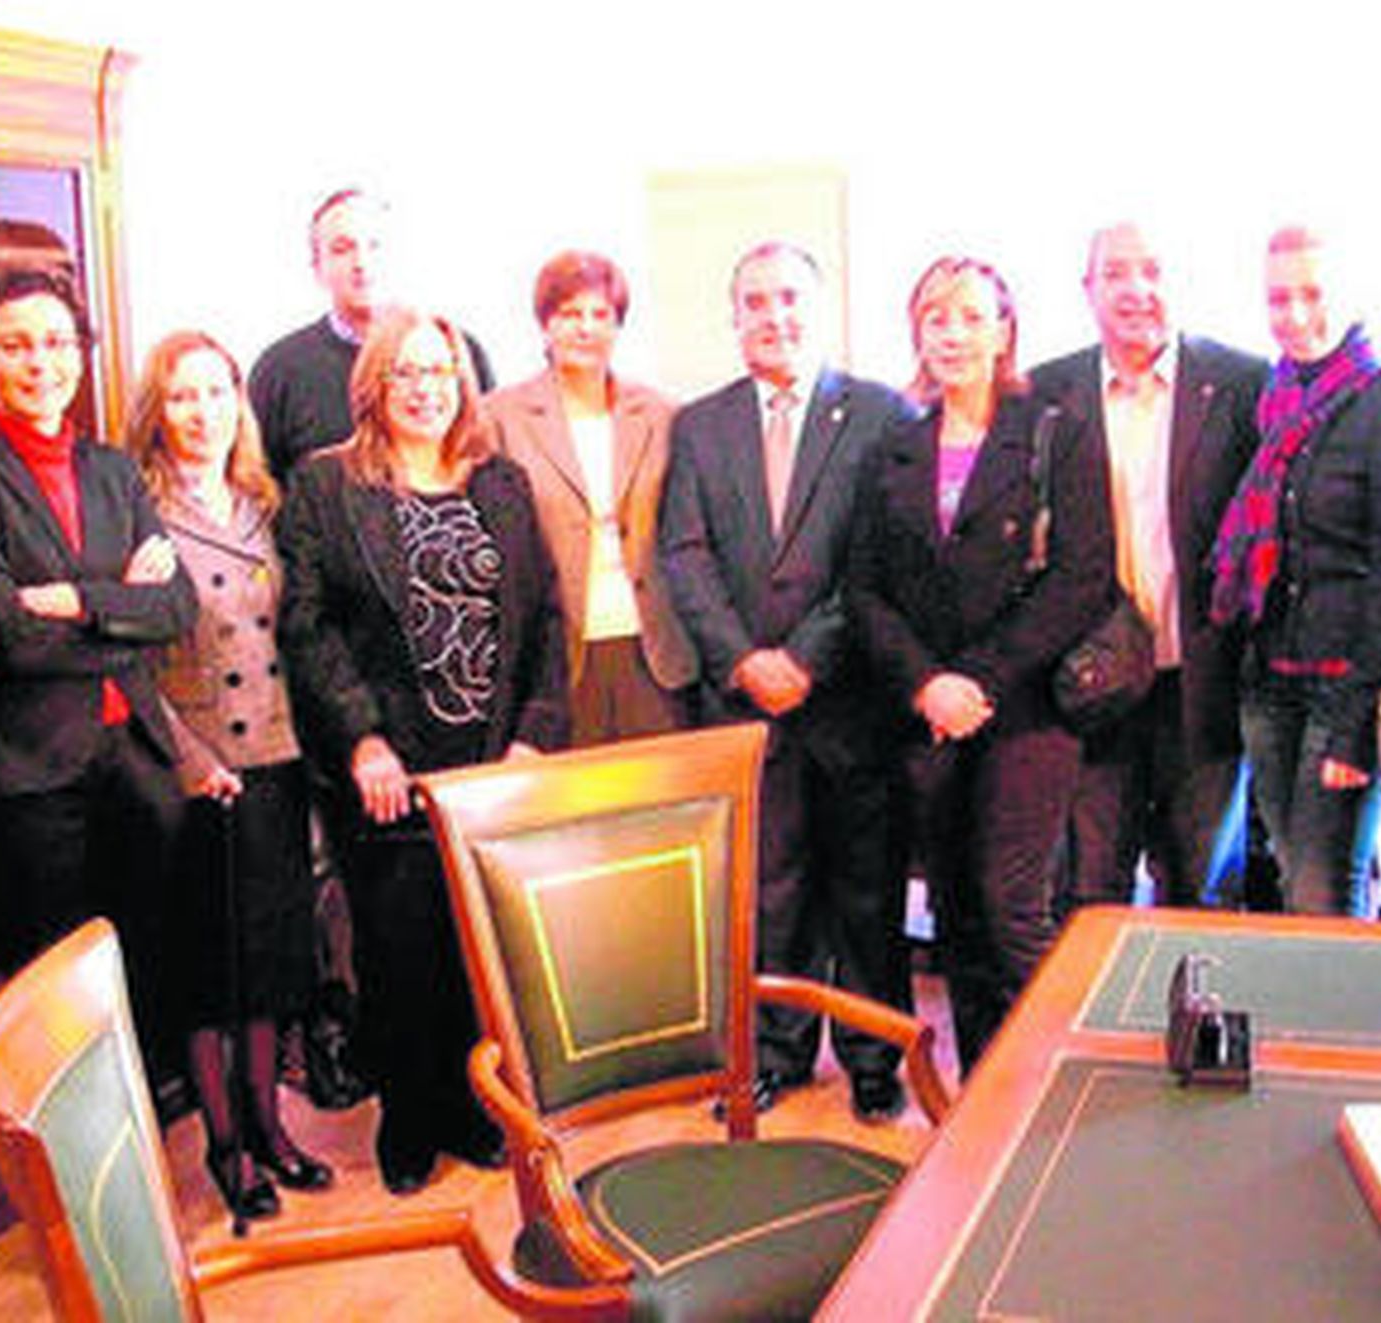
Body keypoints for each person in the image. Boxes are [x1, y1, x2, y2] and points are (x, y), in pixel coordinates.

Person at [277, 306, 568, 1194]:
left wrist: (535, 732)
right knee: (400, 950)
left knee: (481, 947)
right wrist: (361, 738)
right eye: (405, 372)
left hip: (490, 760)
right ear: (373, 384)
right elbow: (309, 626)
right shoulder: (329, 486)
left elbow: (547, 614)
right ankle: (410, 1116)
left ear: (462, 380)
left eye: (439, 371)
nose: (424, 389)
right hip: (389, 768)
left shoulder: (503, 483)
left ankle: (470, 1107)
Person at [660, 241, 913, 1122]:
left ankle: (877, 1060)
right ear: (734, 319)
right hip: (742, 705)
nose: (775, 317)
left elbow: (879, 564)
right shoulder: (698, 425)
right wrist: (742, 659)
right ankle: (776, 1052)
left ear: (822, 306)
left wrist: (805, 656)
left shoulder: (883, 415)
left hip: (847, 698)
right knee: (767, 892)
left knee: (867, 889)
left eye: (790, 299)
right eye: (756, 302)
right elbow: (682, 555)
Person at [848, 258, 1111, 1072]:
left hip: (1025, 710)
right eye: (934, 317)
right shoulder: (894, 445)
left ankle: (1051, 1078)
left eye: (969, 316)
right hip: (926, 713)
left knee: (1011, 906)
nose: (951, 333)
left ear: (1004, 330)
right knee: (956, 909)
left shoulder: (1057, 431)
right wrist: (927, 682)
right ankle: (985, 1083)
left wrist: (981, 681)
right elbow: (864, 588)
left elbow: (1081, 576)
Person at [125, 330, 333, 1221]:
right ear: (158, 411)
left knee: (275, 960)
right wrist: (185, 756)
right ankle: (224, 1143)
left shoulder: (265, 499)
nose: (201, 413)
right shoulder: (133, 508)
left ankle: (270, 1124)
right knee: (211, 968)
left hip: (278, 758)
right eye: (182, 396)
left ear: (238, 404)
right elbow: (126, 660)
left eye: (216, 393)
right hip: (199, 769)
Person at [0, 267, 196, 1078]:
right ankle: (77, 1170)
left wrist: (70, 598)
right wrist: (119, 603)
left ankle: (144, 1138)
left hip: (133, 760)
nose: (41, 362)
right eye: (16, 345)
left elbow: (176, 610)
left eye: (58, 342)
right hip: (31, 777)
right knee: (54, 994)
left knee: (147, 964)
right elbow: (7, 633)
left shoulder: (113, 469)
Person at [1029, 222, 1267, 911]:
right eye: (1116, 273)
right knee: (1091, 890)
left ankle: (1200, 1025)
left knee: (1203, 889)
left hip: (1204, 684)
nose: (1136, 289)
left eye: (1153, 270)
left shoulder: (1240, 383)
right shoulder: (1045, 394)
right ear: (1088, 288)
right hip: (1092, 686)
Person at [1207, 228, 1381, 916]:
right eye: (1279, 297)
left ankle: (1338, 1025)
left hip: (1343, 690)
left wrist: (1359, 720)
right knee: (1288, 872)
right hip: (1269, 682)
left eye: (1313, 294)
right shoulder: (1271, 396)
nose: (1295, 315)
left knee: (1322, 891)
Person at [485, 251, 696, 744]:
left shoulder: (664, 414)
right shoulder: (499, 417)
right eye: (569, 314)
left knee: (658, 806)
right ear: (544, 326)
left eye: (601, 315)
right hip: (559, 655)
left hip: (653, 652)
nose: (586, 329)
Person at [250, 188, 495, 483]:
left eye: (375, 246)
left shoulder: (458, 352)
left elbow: (486, 461)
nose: (361, 263)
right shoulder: (280, 370)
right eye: (342, 249)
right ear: (318, 268)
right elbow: (259, 486)